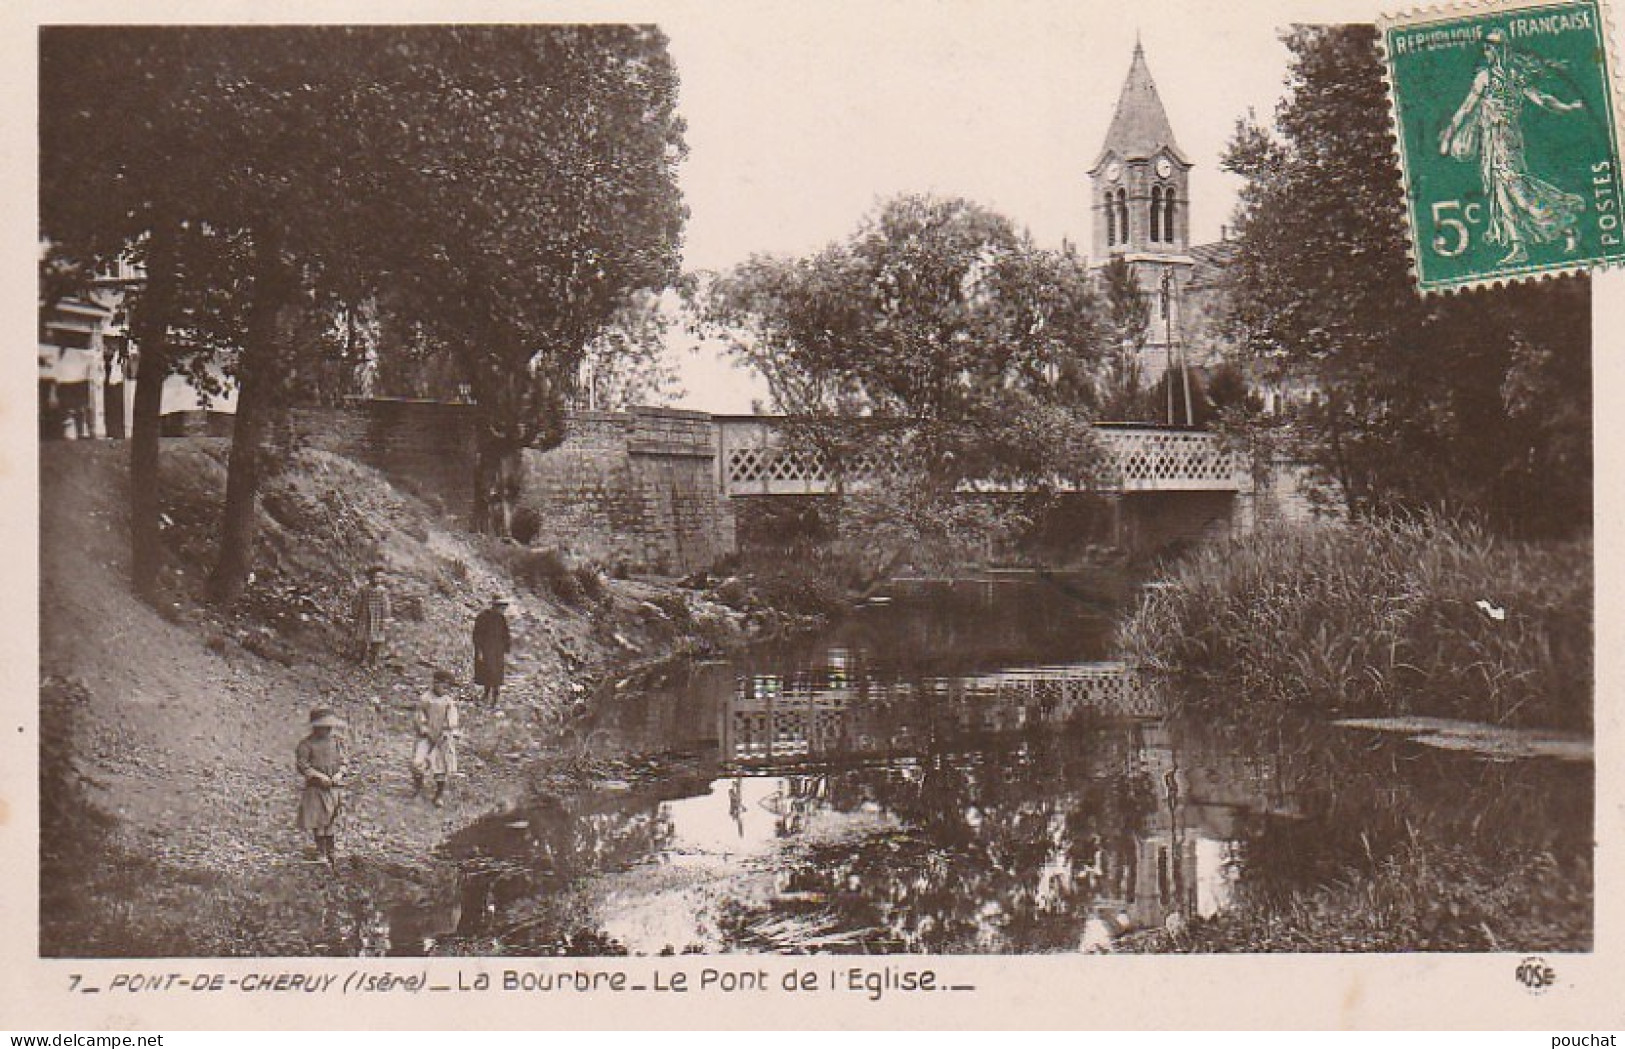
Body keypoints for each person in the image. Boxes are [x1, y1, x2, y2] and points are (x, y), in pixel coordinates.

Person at [1439, 29, 1586, 266]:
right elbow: (1465, 109)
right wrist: (1447, 137)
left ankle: (1566, 225)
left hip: (1507, 139)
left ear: (1499, 50)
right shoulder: (1489, 77)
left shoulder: (1507, 76)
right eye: (1486, 47)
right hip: (1491, 140)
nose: (1486, 51)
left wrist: (1567, 107)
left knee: (1519, 190)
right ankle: (1519, 246)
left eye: (1490, 47)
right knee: (1500, 192)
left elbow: (1541, 98)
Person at [295, 707, 348, 865]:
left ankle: (331, 850)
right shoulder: (306, 745)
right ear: (316, 727)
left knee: (331, 819)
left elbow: (344, 762)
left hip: (333, 787)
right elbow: (303, 766)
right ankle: (321, 851)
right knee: (318, 820)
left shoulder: (337, 742)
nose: (328, 730)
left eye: (330, 727)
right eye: (324, 727)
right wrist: (319, 776)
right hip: (316, 788)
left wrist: (339, 774)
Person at [411, 669, 461, 807]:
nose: (446, 690)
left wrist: (447, 729)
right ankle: (418, 789)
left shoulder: (448, 701)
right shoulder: (426, 698)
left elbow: (452, 717)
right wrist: (423, 728)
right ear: (435, 683)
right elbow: (420, 714)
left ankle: (439, 794)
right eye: (443, 686)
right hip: (426, 736)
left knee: (441, 766)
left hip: (442, 738)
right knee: (418, 761)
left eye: (448, 688)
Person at [472, 595, 512, 706]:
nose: (503, 610)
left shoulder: (501, 619)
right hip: (486, 649)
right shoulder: (483, 617)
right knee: (488, 672)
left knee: (497, 674)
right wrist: (479, 650)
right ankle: (486, 694)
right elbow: (477, 635)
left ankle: (495, 696)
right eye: (501, 608)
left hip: (498, 650)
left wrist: (507, 648)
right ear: (495, 606)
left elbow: (506, 634)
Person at [352, 565, 391, 666]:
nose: (378, 580)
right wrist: (355, 613)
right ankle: (363, 658)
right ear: (370, 577)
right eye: (376, 577)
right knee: (364, 638)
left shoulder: (383, 591)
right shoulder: (363, 589)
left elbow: (386, 606)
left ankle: (374, 659)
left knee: (377, 639)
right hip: (365, 617)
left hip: (378, 618)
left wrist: (386, 618)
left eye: (381, 578)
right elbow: (357, 602)